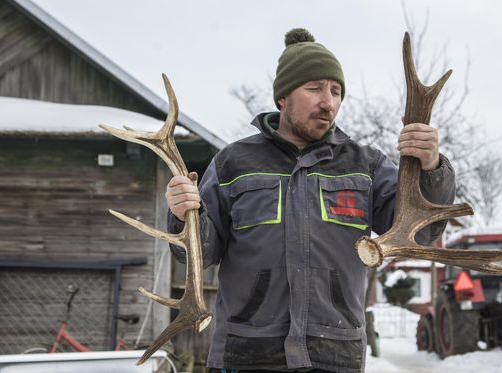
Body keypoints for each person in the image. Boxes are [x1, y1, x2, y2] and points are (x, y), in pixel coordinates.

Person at [167, 28, 456, 373]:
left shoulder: (364, 165)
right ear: (283, 98)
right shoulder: (234, 163)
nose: (328, 102)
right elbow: (200, 255)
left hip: (334, 354)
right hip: (247, 353)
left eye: (336, 91)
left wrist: (431, 168)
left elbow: (422, 232)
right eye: (315, 88)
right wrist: (182, 215)